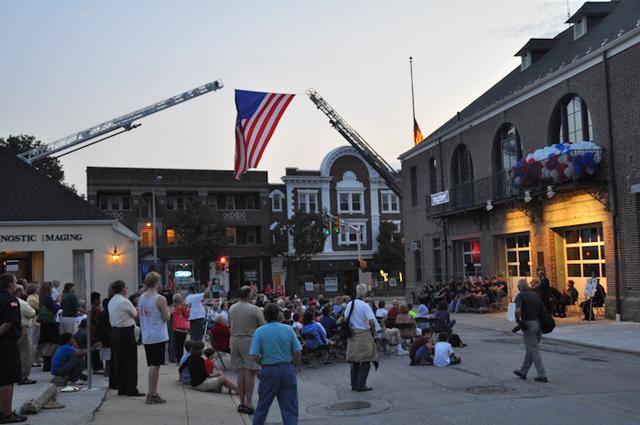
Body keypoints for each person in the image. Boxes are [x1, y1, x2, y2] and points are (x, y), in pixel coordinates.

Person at [250, 303, 302, 425]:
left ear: (265, 316)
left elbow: (254, 355)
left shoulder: (260, 331)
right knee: (290, 409)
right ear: (279, 315)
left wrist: (263, 363)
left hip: (269, 369)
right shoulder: (288, 329)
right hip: (287, 368)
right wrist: (294, 366)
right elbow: (298, 352)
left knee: (263, 406)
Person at [229, 285, 266, 415]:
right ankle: (249, 403)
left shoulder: (232, 308)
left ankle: (242, 402)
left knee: (240, 373)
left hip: (234, 340)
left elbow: (230, 323)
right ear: (249, 295)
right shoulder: (254, 309)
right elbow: (263, 325)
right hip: (249, 340)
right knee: (250, 373)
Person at [108, 280, 144, 397]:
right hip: (125, 332)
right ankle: (131, 388)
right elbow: (135, 314)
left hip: (114, 331)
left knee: (119, 360)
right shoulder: (124, 301)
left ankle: (121, 387)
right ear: (123, 289)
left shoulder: (111, 301)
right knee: (130, 361)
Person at [0, 273, 28, 424]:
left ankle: (2, 411)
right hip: (6, 344)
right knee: (7, 379)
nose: (17, 284)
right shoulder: (11, 300)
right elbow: (8, 323)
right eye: (15, 281)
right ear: (10, 284)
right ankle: (7, 413)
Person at [344, 284, 378, 392]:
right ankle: (361, 384)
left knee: (355, 361)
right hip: (363, 334)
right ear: (365, 293)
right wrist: (373, 332)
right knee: (365, 360)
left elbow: (345, 318)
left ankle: (354, 384)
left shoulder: (350, 304)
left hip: (353, 333)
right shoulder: (365, 305)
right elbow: (372, 321)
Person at [513, 279, 547, 382]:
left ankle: (542, 374)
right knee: (531, 349)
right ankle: (523, 371)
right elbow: (542, 308)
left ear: (519, 288)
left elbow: (518, 310)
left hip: (529, 324)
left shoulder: (520, 296)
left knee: (534, 350)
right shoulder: (534, 294)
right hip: (538, 324)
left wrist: (518, 320)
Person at [15, 285, 36, 385]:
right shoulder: (20, 302)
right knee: (24, 353)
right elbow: (31, 312)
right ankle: (23, 377)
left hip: (10, 330)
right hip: (21, 328)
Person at [37, 281, 60, 372]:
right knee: (52, 342)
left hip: (44, 322)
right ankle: (48, 363)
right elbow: (54, 308)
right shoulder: (48, 297)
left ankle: (46, 364)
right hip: (50, 322)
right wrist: (58, 304)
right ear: (48, 288)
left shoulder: (41, 297)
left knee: (47, 342)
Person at [170, 293, 190, 364]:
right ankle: (181, 360)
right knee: (181, 345)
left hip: (175, 328)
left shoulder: (172, 307)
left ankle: (177, 359)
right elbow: (187, 315)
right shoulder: (182, 307)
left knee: (177, 345)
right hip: (183, 329)